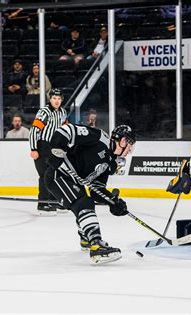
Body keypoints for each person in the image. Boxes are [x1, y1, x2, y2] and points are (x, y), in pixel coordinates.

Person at [45, 124, 135, 264]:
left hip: (75, 182)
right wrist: (56, 148)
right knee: (84, 203)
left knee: (86, 202)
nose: (130, 150)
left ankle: (86, 239)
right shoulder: (99, 138)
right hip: (59, 174)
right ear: (123, 141)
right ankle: (96, 245)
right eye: (130, 145)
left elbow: (96, 188)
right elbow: (67, 130)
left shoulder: (111, 164)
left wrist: (112, 201)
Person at [29, 89, 68, 215]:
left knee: (55, 175)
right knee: (45, 175)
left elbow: (65, 129)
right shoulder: (44, 112)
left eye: (59, 98)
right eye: (54, 98)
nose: (56, 101)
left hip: (55, 147)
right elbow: (34, 130)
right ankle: (43, 204)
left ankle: (53, 202)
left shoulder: (63, 112)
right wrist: (34, 149)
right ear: (50, 99)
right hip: (43, 147)